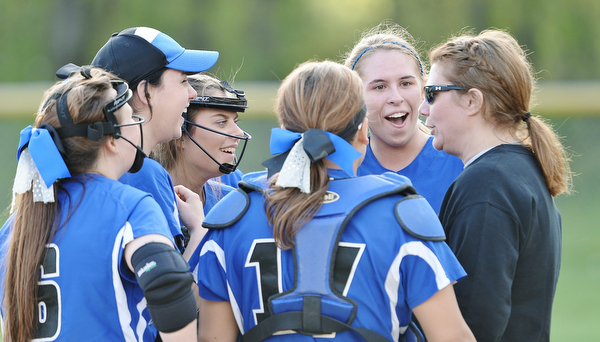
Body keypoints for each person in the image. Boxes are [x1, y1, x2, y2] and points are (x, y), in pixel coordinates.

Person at [194, 60, 475, 342]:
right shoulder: (403, 214)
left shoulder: (232, 215)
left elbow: (212, 339)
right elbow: (452, 337)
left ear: (285, 128)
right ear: (363, 130)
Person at [0, 68, 202, 341]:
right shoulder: (129, 206)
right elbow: (167, 283)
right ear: (111, 140)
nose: (138, 124)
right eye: (132, 117)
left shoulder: (14, 227)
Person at [419, 29, 573, 341]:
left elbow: (473, 324)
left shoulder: (487, 184)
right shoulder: (519, 170)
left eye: (432, 93)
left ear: (472, 100)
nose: (424, 108)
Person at [71, 26, 219, 257]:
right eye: (182, 81)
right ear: (145, 91)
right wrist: (198, 230)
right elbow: (172, 290)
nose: (192, 93)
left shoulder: (77, 167)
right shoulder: (142, 173)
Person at [343, 21, 463, 214]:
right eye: (379, 87)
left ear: (424, 89)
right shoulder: (341, 172)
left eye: (406, 83)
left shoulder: (459, 162)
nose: (396, 98)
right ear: (354, 96)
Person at [152, 73, 252, 269]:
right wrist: (198, 231)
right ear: (181, 132)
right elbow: (166, 295)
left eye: (235, 122)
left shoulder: (233, 190)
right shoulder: (149, 199)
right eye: (221, 122)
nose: (239, 133)